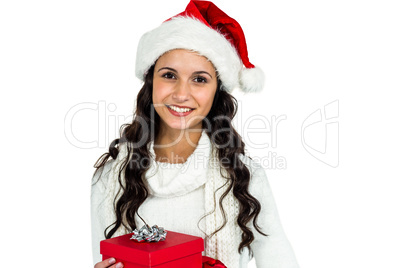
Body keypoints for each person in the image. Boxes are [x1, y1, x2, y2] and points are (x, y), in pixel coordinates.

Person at [91, 1, 300, 267]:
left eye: (199, 79)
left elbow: (278, 257)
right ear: (151, 81)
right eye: (169, 75)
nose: (181, 94)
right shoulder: (109, 178)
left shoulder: (245, 176)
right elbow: (104, 257)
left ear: (217, 91)